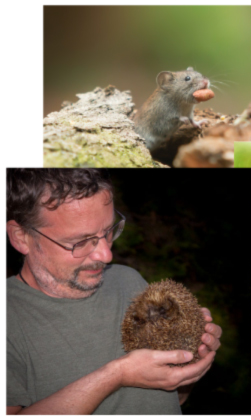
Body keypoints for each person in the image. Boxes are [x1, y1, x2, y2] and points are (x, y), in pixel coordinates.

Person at [6, 169, 222, 414]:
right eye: (80, 241)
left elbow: (172, 399)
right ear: (21, 237)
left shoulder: (127, 280)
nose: (106, 255)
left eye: (108, 231)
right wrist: (117, 375)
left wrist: (189, 365)